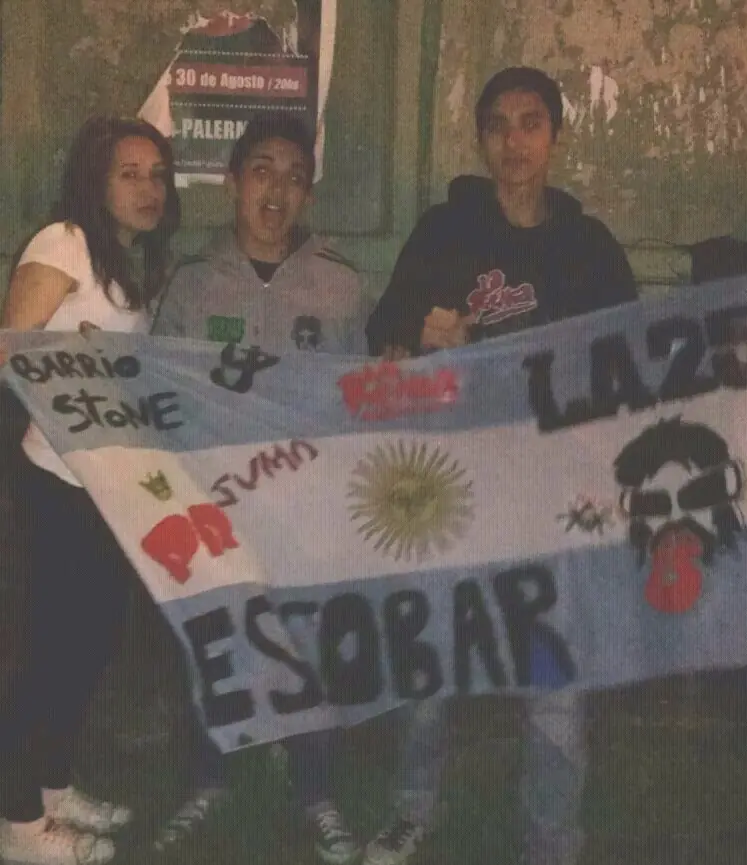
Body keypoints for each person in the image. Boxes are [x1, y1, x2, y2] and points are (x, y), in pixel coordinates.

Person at [363, 67, 638, 865]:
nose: (513, 141)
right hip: (448, 483)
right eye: (497, 125)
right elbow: (383, 334)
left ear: (554, 135)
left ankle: (550, 839)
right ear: (479, 138)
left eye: (529, 122)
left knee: (554, 682)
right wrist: (418, 333)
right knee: (427, 664)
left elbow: (629, 356)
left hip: (550, 491)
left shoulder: (588, 247)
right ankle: (412, 809)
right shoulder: (442, 232)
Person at [151, 113, 366, 865]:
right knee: (210, 640)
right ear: (232, 181)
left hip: (305, 506)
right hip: (214, 502)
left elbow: (356, 399)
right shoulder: (191, 282)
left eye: (295, 178)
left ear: (309, 194)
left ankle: (315, 790)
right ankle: (209, 779)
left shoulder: (340, 285)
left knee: (306, 642)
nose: (277, 191)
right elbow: (160, 393)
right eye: (263, 172)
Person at [0, 116, 180, 865]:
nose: (148, 188)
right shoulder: (64, 243)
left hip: (108, 486)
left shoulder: (132, 264)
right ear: (94, 181)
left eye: (157, 175)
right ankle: (17, 825)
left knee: (88, 643)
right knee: (44, 650)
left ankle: (52, 787)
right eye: (128, 173)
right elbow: (10, 349)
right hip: (54, 482)